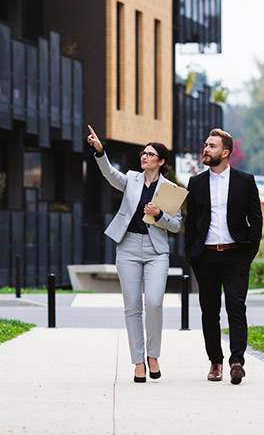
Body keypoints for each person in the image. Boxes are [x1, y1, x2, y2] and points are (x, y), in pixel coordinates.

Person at [87, 125, 183, 383]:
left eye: (150, 154)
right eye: (143, 153)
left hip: (156, 251)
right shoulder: (131, 178)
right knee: (132, 308)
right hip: (127, 246)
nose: (144, 156)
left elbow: (177, 225)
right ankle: (139, 362)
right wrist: (99, 151)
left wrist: (159, 215)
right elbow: (109, 174)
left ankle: (154, 355)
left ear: (161, 161)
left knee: (153, 303)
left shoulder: (171, 189)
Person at [185, 128, 262, 384]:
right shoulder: (195, 183)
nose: (206, 149)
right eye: (206, 145)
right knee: (209, 311)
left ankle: (236, 361)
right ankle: (215, 362)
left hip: (236, 255)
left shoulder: (245, 181)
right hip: (205, 257)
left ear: (225, 153)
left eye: (212, 146)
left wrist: (249, 251)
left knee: (236, 307)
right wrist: (191, 254)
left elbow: (256, 220)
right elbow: (192, 220)